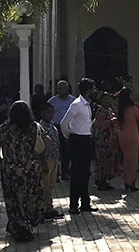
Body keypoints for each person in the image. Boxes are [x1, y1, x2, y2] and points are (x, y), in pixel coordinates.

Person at [0, 101, 45, 242]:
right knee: (29, 197)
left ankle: (17, 225)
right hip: (30, 168)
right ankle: (27, 224)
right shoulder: (34, 127)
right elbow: (46, 141)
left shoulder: (6, 128)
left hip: (11, 169)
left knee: (13, 199)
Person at [61, 77, 96, 215]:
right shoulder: (77, 105)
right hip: (77, 139)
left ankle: (85, 203)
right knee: (76, 173)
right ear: (88, 90)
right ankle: (73, 204)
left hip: (86, 138)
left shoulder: (87, 105)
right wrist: (69, 136)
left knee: (85, 173)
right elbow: (64, 122)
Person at [36, 102, 63, 220]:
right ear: (42, 113)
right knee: (44, 185)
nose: (51, 115)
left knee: (50, 185)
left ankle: (49, 207)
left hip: (54, 157)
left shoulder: (52, 126)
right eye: (48, 112)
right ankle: (44, 209)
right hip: (46, 159)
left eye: (53, 112)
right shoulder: (40, 127)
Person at [116, 87, 139, 192]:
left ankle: (126, 179)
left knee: (126, 157)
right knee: (132, 159)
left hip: (122, 133)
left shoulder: (120, 109)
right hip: (132, 133)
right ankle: (131, 181)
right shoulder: (133, 108)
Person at [92, 92, 120, 191]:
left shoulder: (109, 110)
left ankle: (105, 180)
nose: (107, 101)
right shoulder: (101, 111)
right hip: (102, 139)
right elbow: (100, 125)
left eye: (109, 99)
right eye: (105, 99)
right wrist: (110, 121)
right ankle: (99, 181)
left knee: (108, 160)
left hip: (110, 139)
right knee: (101, 160)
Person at [47, 80, 75, 181]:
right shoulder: (52, 101)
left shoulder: (73, 101)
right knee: (54, 151)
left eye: (62, 88)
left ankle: (65, 172)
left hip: (68, 128)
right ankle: (55, 174)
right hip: (55, 128)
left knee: (66, 151)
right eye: (58, 88)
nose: (59, 90)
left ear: (67, 89)